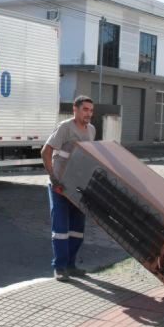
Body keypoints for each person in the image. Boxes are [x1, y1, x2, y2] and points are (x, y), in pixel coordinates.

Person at [41, 95, 96, 281]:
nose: (88, 113)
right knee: (61, 230)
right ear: (75, 109)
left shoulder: (92, 131)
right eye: (85, 109)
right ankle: (60, 267)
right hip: (60, 186)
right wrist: (53, 178)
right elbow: (45, 152)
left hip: (78, 187)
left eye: (91, 110)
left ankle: (71, 265)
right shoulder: (65, 127)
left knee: (77, 230)